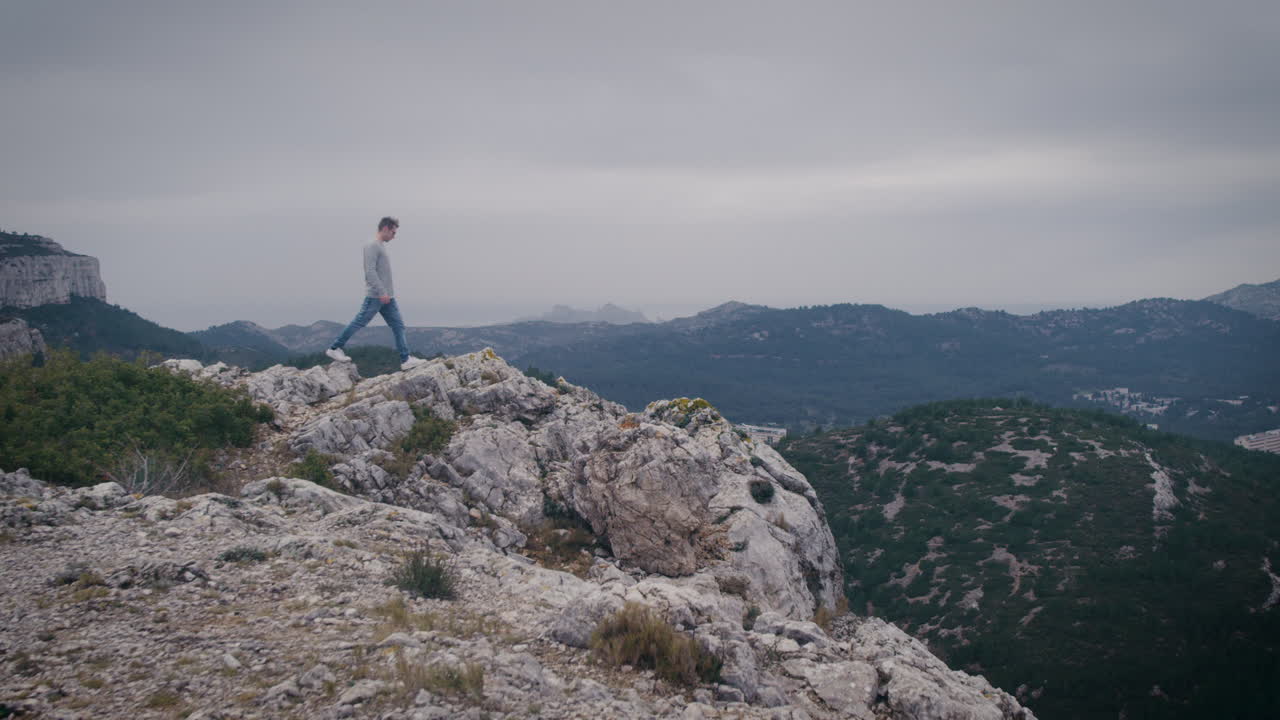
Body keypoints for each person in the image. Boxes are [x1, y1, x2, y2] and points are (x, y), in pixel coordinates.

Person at [325, 216, 427, 371]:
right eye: (393, 232)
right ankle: (334, 348)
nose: (394, 236)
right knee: (360, 321)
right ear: (385, 228)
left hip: (387, 297)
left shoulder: (380, 246)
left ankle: (406, 359)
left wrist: (386, 294)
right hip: (377, 296)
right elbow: (370, 271)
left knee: (398, 325)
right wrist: (382, 292)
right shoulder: (372, 245)